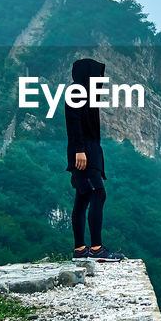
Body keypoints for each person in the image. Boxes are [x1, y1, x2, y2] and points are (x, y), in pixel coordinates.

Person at [64, 57, 124, 262]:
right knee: (98, 193)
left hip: (89, 152)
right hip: (84, 154)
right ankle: (96, 249)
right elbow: (73, 122)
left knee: (83, 197)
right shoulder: (76, 90)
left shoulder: (86, 93)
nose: (100, 79)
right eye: (97, 75)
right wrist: (80, 150)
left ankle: (81, 250)